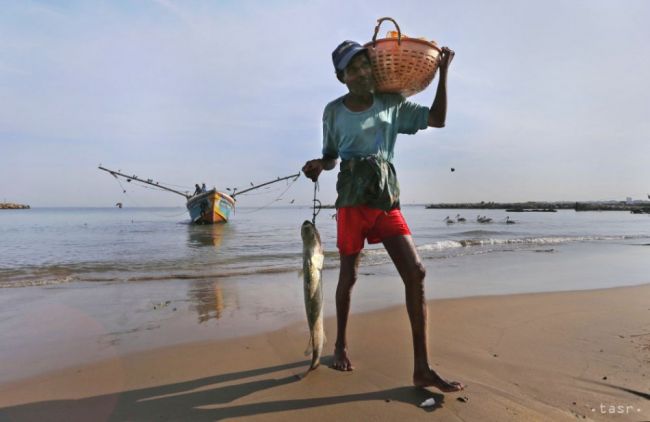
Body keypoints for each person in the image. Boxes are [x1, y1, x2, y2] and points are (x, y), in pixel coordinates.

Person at [302, 40, 463, 392]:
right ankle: (340, 343)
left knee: (416, 272)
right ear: (340, 77)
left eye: (364, 64)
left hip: (386, 199)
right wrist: (319, 165)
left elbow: (437, 119)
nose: (360, 72)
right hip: (351, 201)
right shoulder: (333, 112)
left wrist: (443, 74)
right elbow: (331, 156)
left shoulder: (391, 104)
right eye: (351, 68)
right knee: (349, 274)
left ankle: (422, 368)